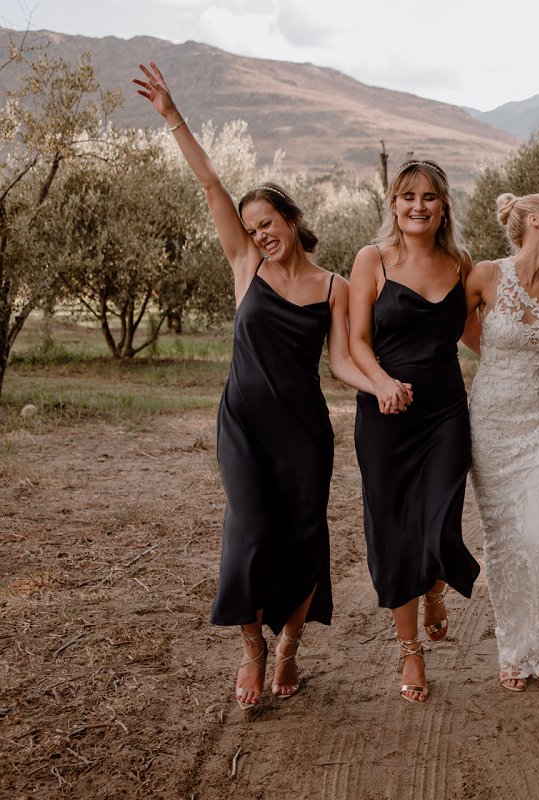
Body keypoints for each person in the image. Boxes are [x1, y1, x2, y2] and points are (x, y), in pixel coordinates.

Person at [133, 62, 381, 710]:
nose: (259, 234)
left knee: (304, 540)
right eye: (250, 228)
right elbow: (210, 183)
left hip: (304, 433)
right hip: (243, 425)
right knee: (247, 533)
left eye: (268, 222)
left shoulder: (334, 287)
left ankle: (290, 643)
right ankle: (252, 649)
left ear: (292, 219)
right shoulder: (245, 265)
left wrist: (379, 387)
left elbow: (340, 362)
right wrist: (172, 116)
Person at [348, 159, 481, 703]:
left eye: (429, 197)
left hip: (445, 413)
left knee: (440, 520)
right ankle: (410, 652)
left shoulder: (462, 263)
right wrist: (381, 382)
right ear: (393, 204)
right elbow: (357, 341)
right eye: (408, 196)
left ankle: (436, 587)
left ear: (443, 206)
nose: (418, 206)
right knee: (395, 532)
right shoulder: (372, 259)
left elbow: (477, 335)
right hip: (385, 418)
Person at [462, 192, 539, 694]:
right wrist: (499, 357)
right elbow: (458, 333)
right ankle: (515, 649)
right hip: (491, 425)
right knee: (504, 543)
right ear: (536, 220)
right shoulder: (485, 276)